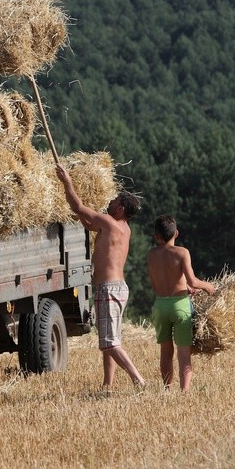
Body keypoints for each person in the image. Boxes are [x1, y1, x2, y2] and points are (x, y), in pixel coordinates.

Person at [55, 164, 146, 390]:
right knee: (110, 340)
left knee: (109, 344)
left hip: (109, 289)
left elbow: (78, 206)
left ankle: (138, 379)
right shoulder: (123, 228)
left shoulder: (109, 222)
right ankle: (108, 384)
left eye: (114, 201)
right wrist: (80, 210)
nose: (110, 203)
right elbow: (87, 221)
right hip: (118, 288)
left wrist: (66, 182)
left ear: (121, 208)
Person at [147, 214, 214, 392]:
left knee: (165, 352)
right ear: (176, 233)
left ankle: (167, 389)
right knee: (184, 354)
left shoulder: (151, 255)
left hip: (160, 306)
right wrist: (207, 286)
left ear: (156, 236)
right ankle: (184, 392)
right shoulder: (182, 253)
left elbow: (154, 285)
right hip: (180, 305)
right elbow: (192, 281)